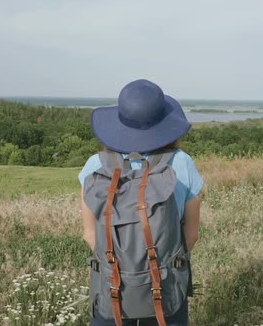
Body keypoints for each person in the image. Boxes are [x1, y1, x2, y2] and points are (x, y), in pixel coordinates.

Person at [78, 79, 203, 326]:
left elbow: (89, 235)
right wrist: (157, 267)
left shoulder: (95, 165)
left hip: (110, 289)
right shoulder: (182, 163)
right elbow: (191, 236)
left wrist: (122, 268)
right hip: (166, 291)